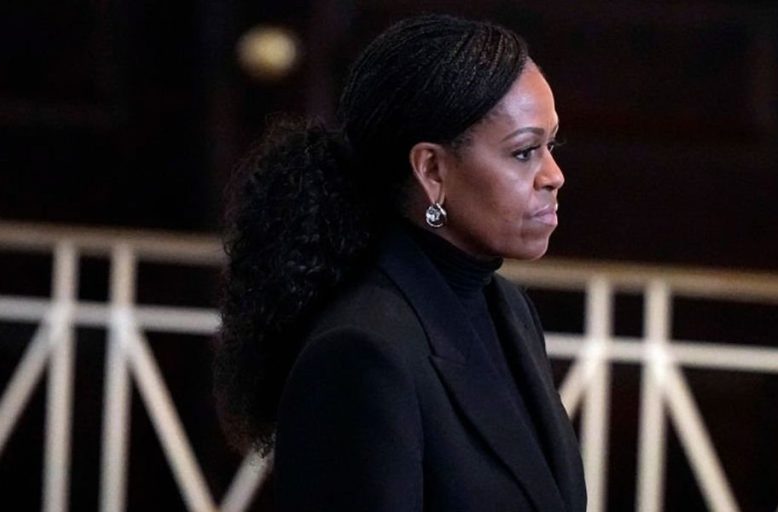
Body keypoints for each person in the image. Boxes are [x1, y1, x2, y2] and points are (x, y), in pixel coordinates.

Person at [214, 14, 586, 512]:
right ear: (432, 169)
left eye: (550, 145)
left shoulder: (509, 308)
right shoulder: (361, 352)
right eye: (524, 152)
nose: (553, 175)